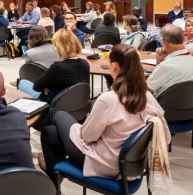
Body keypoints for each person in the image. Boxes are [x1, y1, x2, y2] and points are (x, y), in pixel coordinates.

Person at [39, 44, 170, 183]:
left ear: (114, 66)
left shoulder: (108, 100)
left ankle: (53, 181)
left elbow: (87, 137)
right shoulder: (147, 97)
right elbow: (166, 139)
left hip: (104, 165)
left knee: (59, 116)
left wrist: (78, 129)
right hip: (132, 165)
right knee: (50, 132)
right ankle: (53, 179)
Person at [30, 29, 90, 103]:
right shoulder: (85, 64)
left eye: (55, 45)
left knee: (23, 83)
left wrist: (46, 86)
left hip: (54, 106)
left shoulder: (57, 67)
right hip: (78, 105)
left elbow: (36, 87)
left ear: (59, 46)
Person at [147, 25, 193, 97]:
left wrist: (159, 63)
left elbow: (146, 90)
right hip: (192, 106)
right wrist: (160, 60)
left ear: (163, 42)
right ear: (184, 40)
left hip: (162, 106)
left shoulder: (166, 66)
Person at [18, 26, 59, 98]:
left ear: (30, 38)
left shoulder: (30, 53)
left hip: (39, 87)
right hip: (57, 86)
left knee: (21, 81)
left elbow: (26, 74)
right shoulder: (58, 50)